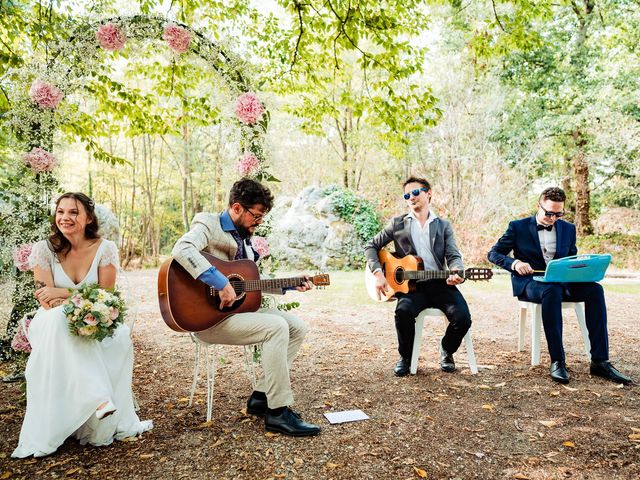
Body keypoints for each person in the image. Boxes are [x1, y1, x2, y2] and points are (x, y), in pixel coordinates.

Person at [171, 178, 320, 437]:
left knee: (297, 327)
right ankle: (278, 412)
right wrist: (219, 281)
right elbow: (182, 249)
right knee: (276, 327)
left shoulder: (247, 240)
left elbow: (248, 283)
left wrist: (291, 285)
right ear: (237, 207)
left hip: (236, 314)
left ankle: (262, 397)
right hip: (207, 319)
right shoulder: (208, 223)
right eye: (256, 215)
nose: (259, 221)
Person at [12, 192, 152, 458]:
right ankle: (98, 397)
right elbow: (45, 300)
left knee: (111, 333)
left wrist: (64, 293)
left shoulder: (105, 248)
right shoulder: (44, 249)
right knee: (58, 321)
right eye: (61, 212)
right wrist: (77, 299)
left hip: (94, 315)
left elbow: (107, 295)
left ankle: (95, 409)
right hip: (52, 319)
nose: (65, 218)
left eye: (73, 212)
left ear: (88, 218)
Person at [487, 187, 632, 385]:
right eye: (548, 213)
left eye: (558, 214)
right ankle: (558, 361)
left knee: (595, 290)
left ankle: (600, 361)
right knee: (552, 290)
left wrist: (582, 269)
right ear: (539, 205)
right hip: (531, 283)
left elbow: (571, 258)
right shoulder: (517, 227)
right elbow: (493, 254)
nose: (553, 218)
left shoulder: (568, 229)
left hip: (562, 281)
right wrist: (515, 263)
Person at [364, 177, 472, 377]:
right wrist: (378, 274)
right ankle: (406, 357)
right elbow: (371, 246)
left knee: (462, 318)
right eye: (407, 195)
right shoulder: (397, 224)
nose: (411, 198)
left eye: (415, 193)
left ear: (428, 193)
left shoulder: (443, 226)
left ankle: (447, 350)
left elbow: (454, 256)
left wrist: (457, 270)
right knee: (403, 313)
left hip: (440, 283)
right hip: (410, 286)